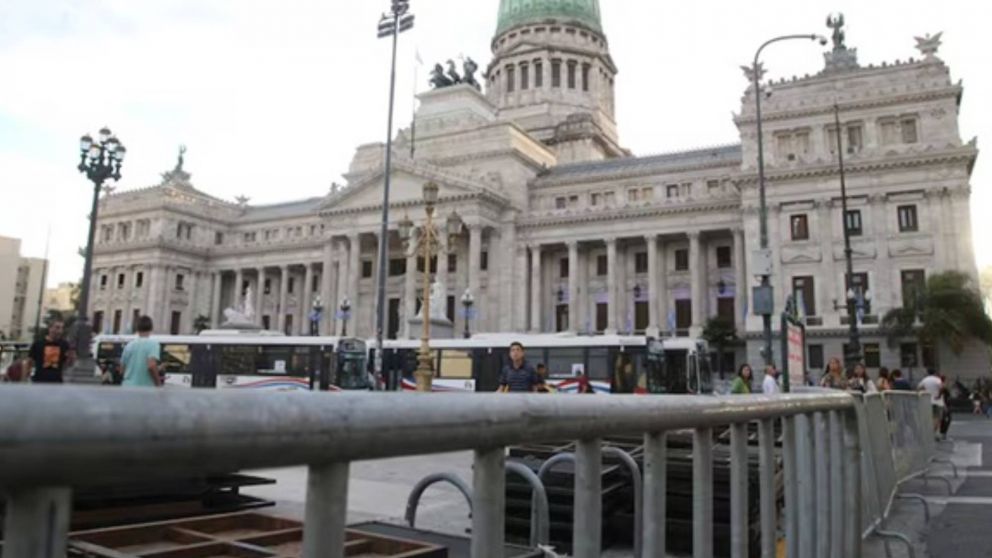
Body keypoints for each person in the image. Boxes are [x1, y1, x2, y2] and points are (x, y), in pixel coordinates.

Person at [26, 319, 74, 383]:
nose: (60, 331)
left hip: (57, 382)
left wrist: (71, 357)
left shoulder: (64, 344)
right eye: (57, 327)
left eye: (61, 328)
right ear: (50, 328)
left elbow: (68, 364)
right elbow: (29, 362)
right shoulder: (38, 343)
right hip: (39, 381)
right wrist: (26, 377)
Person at [120, 316, 162, 387]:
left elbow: (122, 369)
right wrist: (158, 383)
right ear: (151, 328)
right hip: (144, 388)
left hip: (127, 387)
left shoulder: (129, 345)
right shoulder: (153, 345)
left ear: (137, 328)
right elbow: (151, 365)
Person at [918, 369, 944, 437]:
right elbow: (941, 387)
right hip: (937, 401)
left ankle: (928, 431)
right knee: (937, 417)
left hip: (927, 400)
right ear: (934, 372)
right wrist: (939, 395)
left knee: (929, 417)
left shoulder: (925, 379)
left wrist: (924, 391)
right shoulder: (937, 379)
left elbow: (919, 387)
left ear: (927, 372)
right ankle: (934, 432)